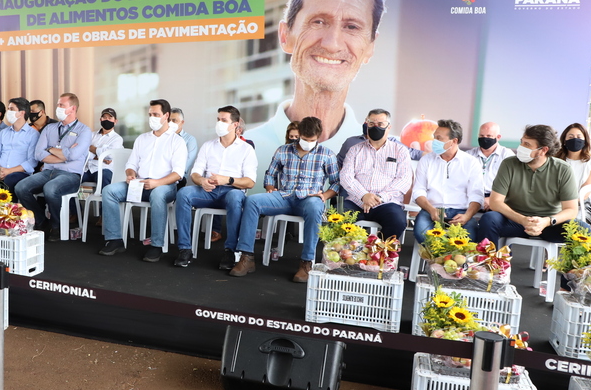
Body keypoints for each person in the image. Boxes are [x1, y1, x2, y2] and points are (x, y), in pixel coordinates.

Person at [247, 0, 386, 186]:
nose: (332, 44)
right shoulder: (246, 147)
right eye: (318, 22)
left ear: (371, 47)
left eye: (352, 27)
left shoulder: (384, 156)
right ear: (285, 36)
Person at [230, 116, 339, 282]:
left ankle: (306, 263)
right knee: (252, 201)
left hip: (309, 198)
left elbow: (336, 183)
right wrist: (269, 187)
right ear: (298, 134)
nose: (307, 143)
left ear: (318, 137)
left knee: (316, 207)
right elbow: (270, 174)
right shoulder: (283, 150)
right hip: (284, 196)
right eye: (304, 139)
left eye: (312, 140)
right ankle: (247, 257)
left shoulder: (327, 155)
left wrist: (324, 195)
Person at [99, 99, 187, 262]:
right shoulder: (142, 139)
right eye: (150, 114)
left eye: (156, 114)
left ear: (166, 115)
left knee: (158, 194)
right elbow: (131, 164)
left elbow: (178, 173)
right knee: (109, 191)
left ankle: (156, 245)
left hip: (165, 186)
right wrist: (131, 174)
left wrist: (157, 183)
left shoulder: (177, 141)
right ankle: (115, 240)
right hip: (140, 184)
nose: (151, 118)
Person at [173, 105, 256, 268]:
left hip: (231, 191)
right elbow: (195, 173)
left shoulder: (246, 150)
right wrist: (201, 180)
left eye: (224, 120)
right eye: (218, 119)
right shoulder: (208, 146)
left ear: (235, 124)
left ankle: (230, 251)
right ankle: (185, 249)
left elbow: (250, 182)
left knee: (235, 197)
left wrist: (228, 180)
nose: (219, 123)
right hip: (207, 191)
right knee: (183, 194)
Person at [477, 124, 581, 243]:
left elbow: (571, 210)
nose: (521, 147)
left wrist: (546, 221)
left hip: (548, 224)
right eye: (522, 142)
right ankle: (490, 261)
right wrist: (523, 220)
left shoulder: (563, 169)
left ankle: (568, 262)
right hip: (515, 221)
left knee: (582, 229)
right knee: (489, 219)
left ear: (543, 150)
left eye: (527, 144)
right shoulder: (509, 164)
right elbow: (495, 202)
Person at [14, 93, 92, 242]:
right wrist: (64, 154)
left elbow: (75, 155)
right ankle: (42, 221)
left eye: (62, 105)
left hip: (70, 174)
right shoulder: (50, 128)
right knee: (21, 187)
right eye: (57, 105)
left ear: (73, 108)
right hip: (48, 171)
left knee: (50, 189)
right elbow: (38, 154)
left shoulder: (84, 130)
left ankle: (56, 226)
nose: (58, 108)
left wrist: (50, 149)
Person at [339, 108, 412, 240]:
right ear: (366, 125)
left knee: (398, 222)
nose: (375, 127)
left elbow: (404, 180)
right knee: (338, 219)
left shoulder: (400, 150)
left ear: (389, 127)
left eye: (380, 124)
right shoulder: (355, 150)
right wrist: (364, 195)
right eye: (372, 124)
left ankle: (376, 251)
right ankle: (347, 256)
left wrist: (379, 197)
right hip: (356, 201)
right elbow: (346, 177)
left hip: (386, 202)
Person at [411, 119, 484, 243]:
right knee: (421, 233)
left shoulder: (471, 162)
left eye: (439, 138)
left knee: (469, 237)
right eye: (434, 137)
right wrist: (432, 210)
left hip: (461, 212)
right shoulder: (426, 160)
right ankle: (439, 260)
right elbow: (418, 191)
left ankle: (448, 260)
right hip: (431, 210)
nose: (434, 142)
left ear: (454, 141)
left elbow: (476, 195)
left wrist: (467, 216)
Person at [336, 112, 423, 169]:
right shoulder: (351, 143)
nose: (373, 126)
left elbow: (414, 153)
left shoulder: (394, 144)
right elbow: (337, 165)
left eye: (378, 124)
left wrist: (434, 153)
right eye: (369, 122)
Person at [0, 97, 39, 192]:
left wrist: (9, 171)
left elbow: (32, 161)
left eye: (11, 109)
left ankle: (10, 207)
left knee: (10, 179)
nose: (8, 112)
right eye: (8, 109)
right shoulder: (3, 132)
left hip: (20, 173)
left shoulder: (33, 134)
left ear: (22, 113)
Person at [466, 121, 515, 211]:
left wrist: (492, 199)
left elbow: (513, 184)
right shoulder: (468, 155)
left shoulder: (507, 155)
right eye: (481, 136)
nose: (485, 139)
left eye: (489, 136)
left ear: (498, 137)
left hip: (497, 197)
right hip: (470, 198)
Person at [555, 123, 591, 201]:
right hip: (554, 205)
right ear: (564, 141)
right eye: (571, 137)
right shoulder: (555, 161)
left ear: (585, 141)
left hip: (581, 207)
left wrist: (567, 206)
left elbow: (584, 194)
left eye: (579, 137)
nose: (575, 139)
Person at [83, 107, 124, 188]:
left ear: (115, 121)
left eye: (110, 118)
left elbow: (110, 155)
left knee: (105, 176)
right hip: (87, 169)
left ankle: (105, 200)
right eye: (104, 117)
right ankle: (71, 201)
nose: (107, 120)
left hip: (103, 169)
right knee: (71, 177)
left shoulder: (117, 139)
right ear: (100, 119)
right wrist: (101, 158)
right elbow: (82, 150)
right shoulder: (91, 135)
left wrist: (93, 149)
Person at [170, 107, 198, 185]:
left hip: (179, 178)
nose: (170, 123)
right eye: (169, 120)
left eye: (174, 120)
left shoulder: (190, 140)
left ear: (182, 122)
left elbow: (186, 165)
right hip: (160, 175)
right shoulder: (163, 138)